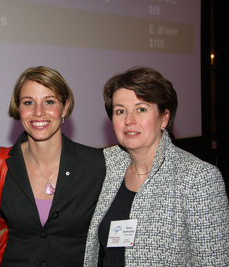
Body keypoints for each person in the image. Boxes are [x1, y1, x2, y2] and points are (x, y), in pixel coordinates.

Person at [84, 66, 229, 266]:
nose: (128, 120)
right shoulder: (107, 167)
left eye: (141, 109)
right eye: (120, 111)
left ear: (164, 118)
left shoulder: (198, 178)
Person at [0, 66, 106, 266]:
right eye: (28, 102)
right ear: (19, 108)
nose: (38, 112)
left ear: (65, 107)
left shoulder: (95, 165)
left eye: (49, 102)